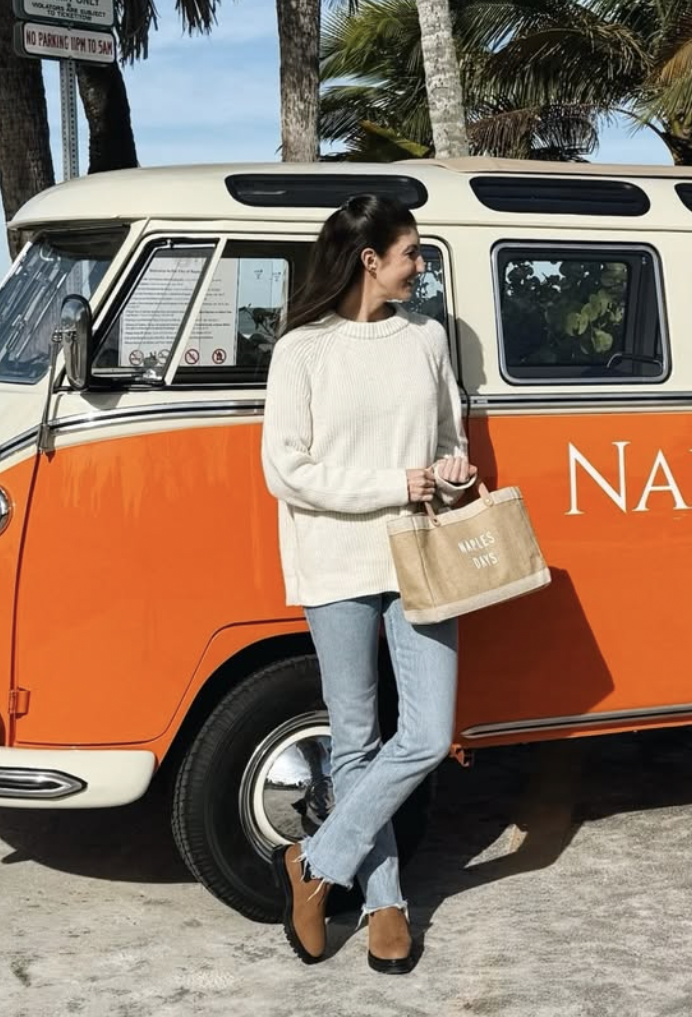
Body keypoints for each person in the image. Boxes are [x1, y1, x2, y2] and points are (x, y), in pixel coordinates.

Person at [260, 194, 476, 974]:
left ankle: (314, 863)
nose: (421, 265)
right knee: (354, 740)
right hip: (336, 560)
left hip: (419, 553)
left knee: (425, 733)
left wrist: (452, 473)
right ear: (369, 259)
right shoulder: (303, 349)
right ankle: (386, 902)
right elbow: (287, 470)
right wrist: (400, 481)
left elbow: (452, 440)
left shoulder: (426, 338)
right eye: (412, 252)